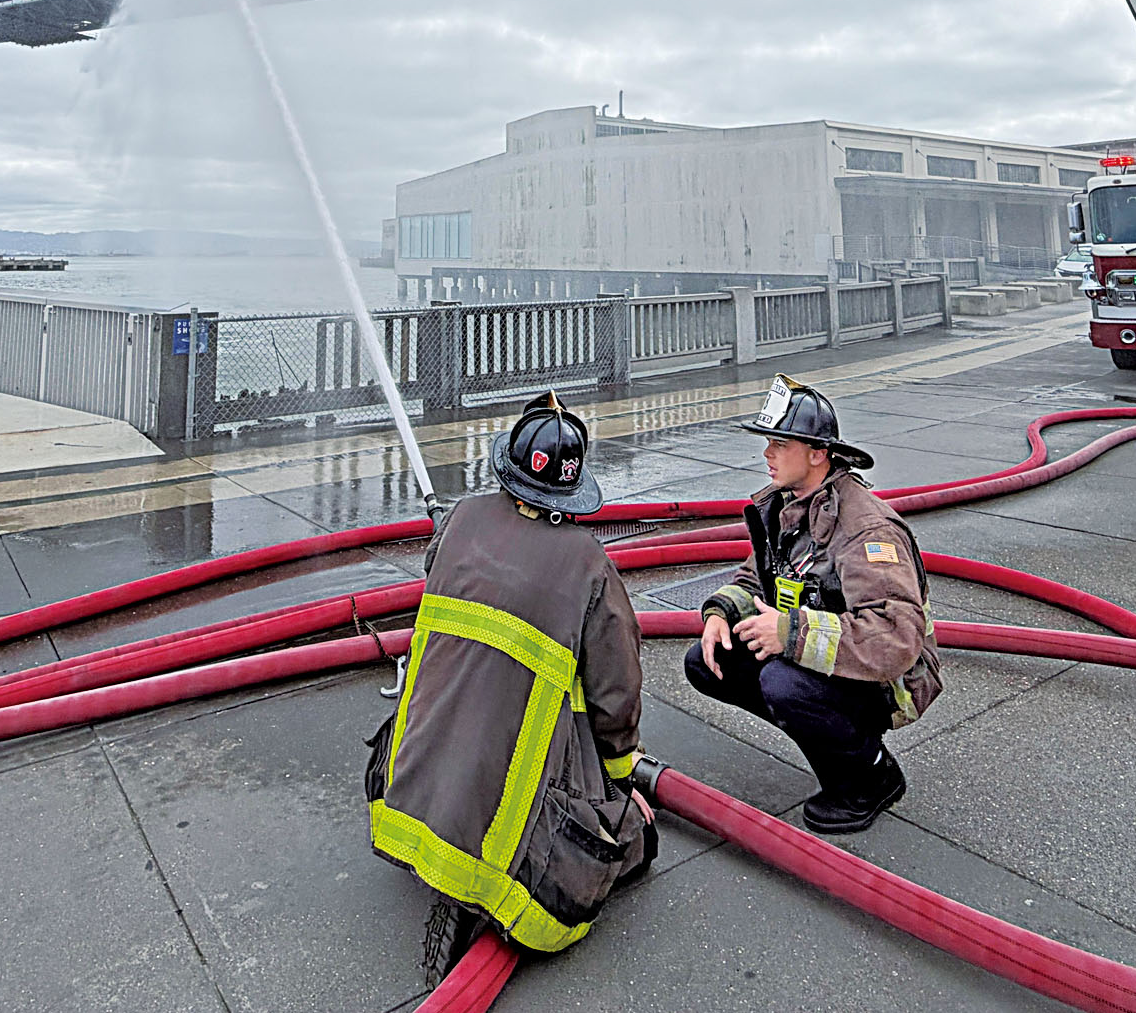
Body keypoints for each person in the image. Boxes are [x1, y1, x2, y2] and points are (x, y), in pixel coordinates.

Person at [367, 394, 652, 978]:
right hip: (510, 812)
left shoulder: (461, 518)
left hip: (417, 768)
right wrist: (620, 784)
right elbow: (614, 692)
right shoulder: (589, 564)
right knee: (637, 844)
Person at [683, 376, 941, 835]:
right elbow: (756, 578)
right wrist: (720, 612)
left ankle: (871, 773)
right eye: (768, 442)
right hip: (827, 655)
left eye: (780, 443)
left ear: (818, 453)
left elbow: (895, 638)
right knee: (707, 663)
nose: (767, 454)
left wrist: (790, 634)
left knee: (784, 683)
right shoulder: (790, 508)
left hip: (888, 679)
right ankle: (832, 741)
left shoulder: (866, 530)